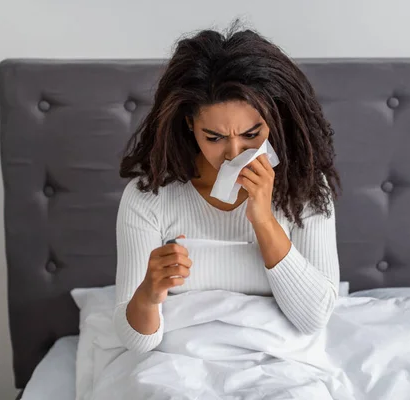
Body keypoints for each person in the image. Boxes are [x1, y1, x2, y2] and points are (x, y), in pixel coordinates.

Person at [113, 23, 341, 353]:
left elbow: (314, 318)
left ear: (275, 120)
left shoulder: (304, 190)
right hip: (180, 365)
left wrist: (263, 220)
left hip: (278, 363)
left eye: (251, 134)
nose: (235, 153)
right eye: (215, 138)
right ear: (190, 124)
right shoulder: (150, 197)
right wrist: (148, 295)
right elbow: (136, 342)